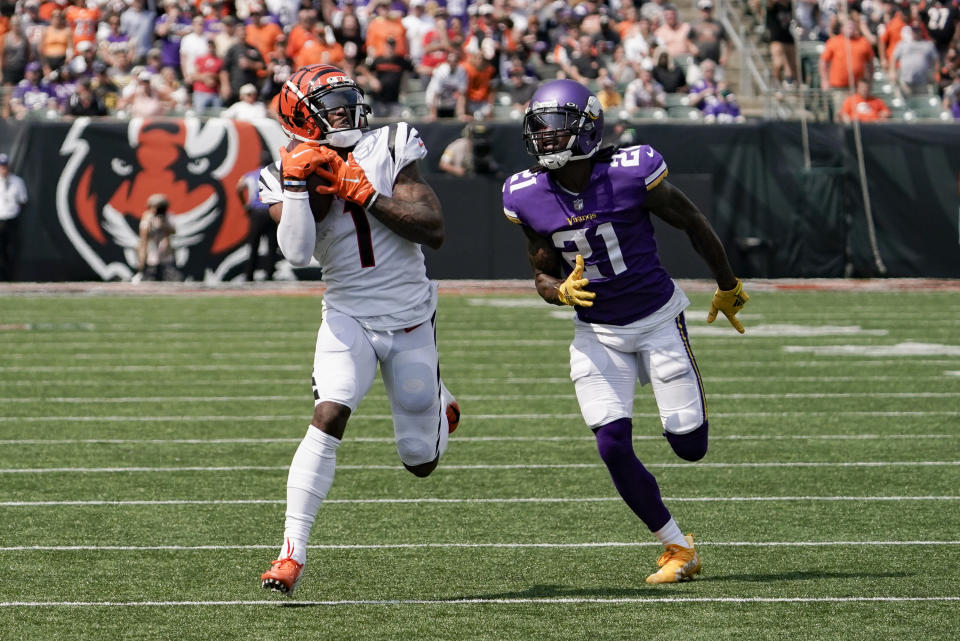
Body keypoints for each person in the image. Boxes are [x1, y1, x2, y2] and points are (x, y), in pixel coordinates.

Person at [501, 79, 749, 584]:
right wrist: (559, 293)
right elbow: (542, 274)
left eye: (558, 125)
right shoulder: (525, 194)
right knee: (612, 445)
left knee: (690, 447)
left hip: (657, 319)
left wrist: (727, 284)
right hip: (597, 333)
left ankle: (682, 525)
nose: (546, 137)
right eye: (540, 127)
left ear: (588, 126)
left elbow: (692, 221)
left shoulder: (631, 171)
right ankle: (679, 547)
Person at [257, 63, 460, 596]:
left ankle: (439, 403)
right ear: (302, 116)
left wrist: (364, 193)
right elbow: (298, 253)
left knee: (419, 459)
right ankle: (290, 553)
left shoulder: (390, 144)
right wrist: (299, 185)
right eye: (332, 104)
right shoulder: (279, 170)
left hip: (411, 315)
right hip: (347, 313)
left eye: (348, 100)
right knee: (330, 411)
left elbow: (434, 231)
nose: (346, 111)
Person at [237, 153, 278, 281]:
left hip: (256, 212)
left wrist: (244, 204)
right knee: (272, 245)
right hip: (270, 211)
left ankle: (249, 274)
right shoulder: (274, 175)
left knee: (254, 244)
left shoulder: (251, 175)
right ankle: (269, 274)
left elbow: (238, 187)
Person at [136, 193, 179, 282]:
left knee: (169, 276)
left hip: (165, 252)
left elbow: (173, 231)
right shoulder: (147, 216)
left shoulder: (168, 216)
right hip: (151, 251)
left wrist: (163, 224)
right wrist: (150, 222)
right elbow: (143, 236)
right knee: (149, 277)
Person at [0, 154, 28, 281]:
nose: (3, 169)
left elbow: (23, 200)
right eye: (1, 166)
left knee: (13, 248)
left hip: (12, 219)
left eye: (5, 166)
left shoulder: (17, 181)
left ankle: (12, 277)